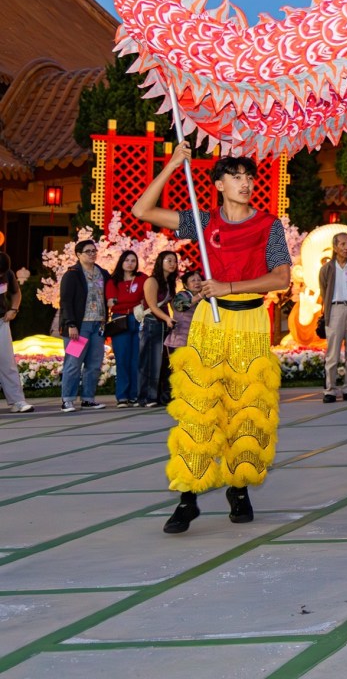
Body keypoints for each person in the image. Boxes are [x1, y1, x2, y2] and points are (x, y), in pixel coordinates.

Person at [131, 144, 292, 534]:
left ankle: (238, 489)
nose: (245, 183)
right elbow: (142, 211)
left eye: (249, 177)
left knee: (246, 410)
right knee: (199, 408)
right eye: (235, 176)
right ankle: (188, 497)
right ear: (219, 184)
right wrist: (171, 165)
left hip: (250, 323)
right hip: (209, 324)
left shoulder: (268, 225)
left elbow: (281, 279)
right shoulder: (204, 222)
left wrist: (228, 286)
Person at [59, 239, 109, 411]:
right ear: (78, 254)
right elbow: (66, 301)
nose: (92, 254)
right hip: (80, 326)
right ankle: (67, 399)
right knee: (73, 362)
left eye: (94, 251)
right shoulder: (72, 274)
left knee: (94, 363)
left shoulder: (102, 273)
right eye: (88, 251)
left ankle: (88, 398)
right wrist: (71, 324)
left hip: (98, 324)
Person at [317, 232, 347, 403]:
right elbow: (324, 291)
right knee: (333, 354)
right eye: (343, 244)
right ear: (335, 247)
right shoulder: (327, 269)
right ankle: (330, 390)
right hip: (335, 309)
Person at [139, 251, 180, 407]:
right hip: (152, 322)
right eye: (168, 260)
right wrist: (167, 318)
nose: (172, 263)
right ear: (160, 262)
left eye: (174, 261)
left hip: (164, 323)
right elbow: (152, 306)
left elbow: (173, 305)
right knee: (150, 360)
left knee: (164, 361)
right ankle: (147, 397)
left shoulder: (169, 282)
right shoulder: (152, 281)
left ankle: (162, 396)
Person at [106, 251, 146, 407]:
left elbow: (146, 298)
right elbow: (111, 303)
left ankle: (134, 395)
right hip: (120, 320)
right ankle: (122, 396)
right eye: (127, 260)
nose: (130, 263)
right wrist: (134, 302)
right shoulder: (113, 281)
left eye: (133, 260)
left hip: (138, 319)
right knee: (122, 359)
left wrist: (122, 301)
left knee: (136, 358)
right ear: (121, 262)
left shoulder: (142, 278)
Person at [0, 253, 31, 413]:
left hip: (1, 321)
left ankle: (17, 401)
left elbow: (15, 292)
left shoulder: (8, 274)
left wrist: (14, 309)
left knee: (7, 362)